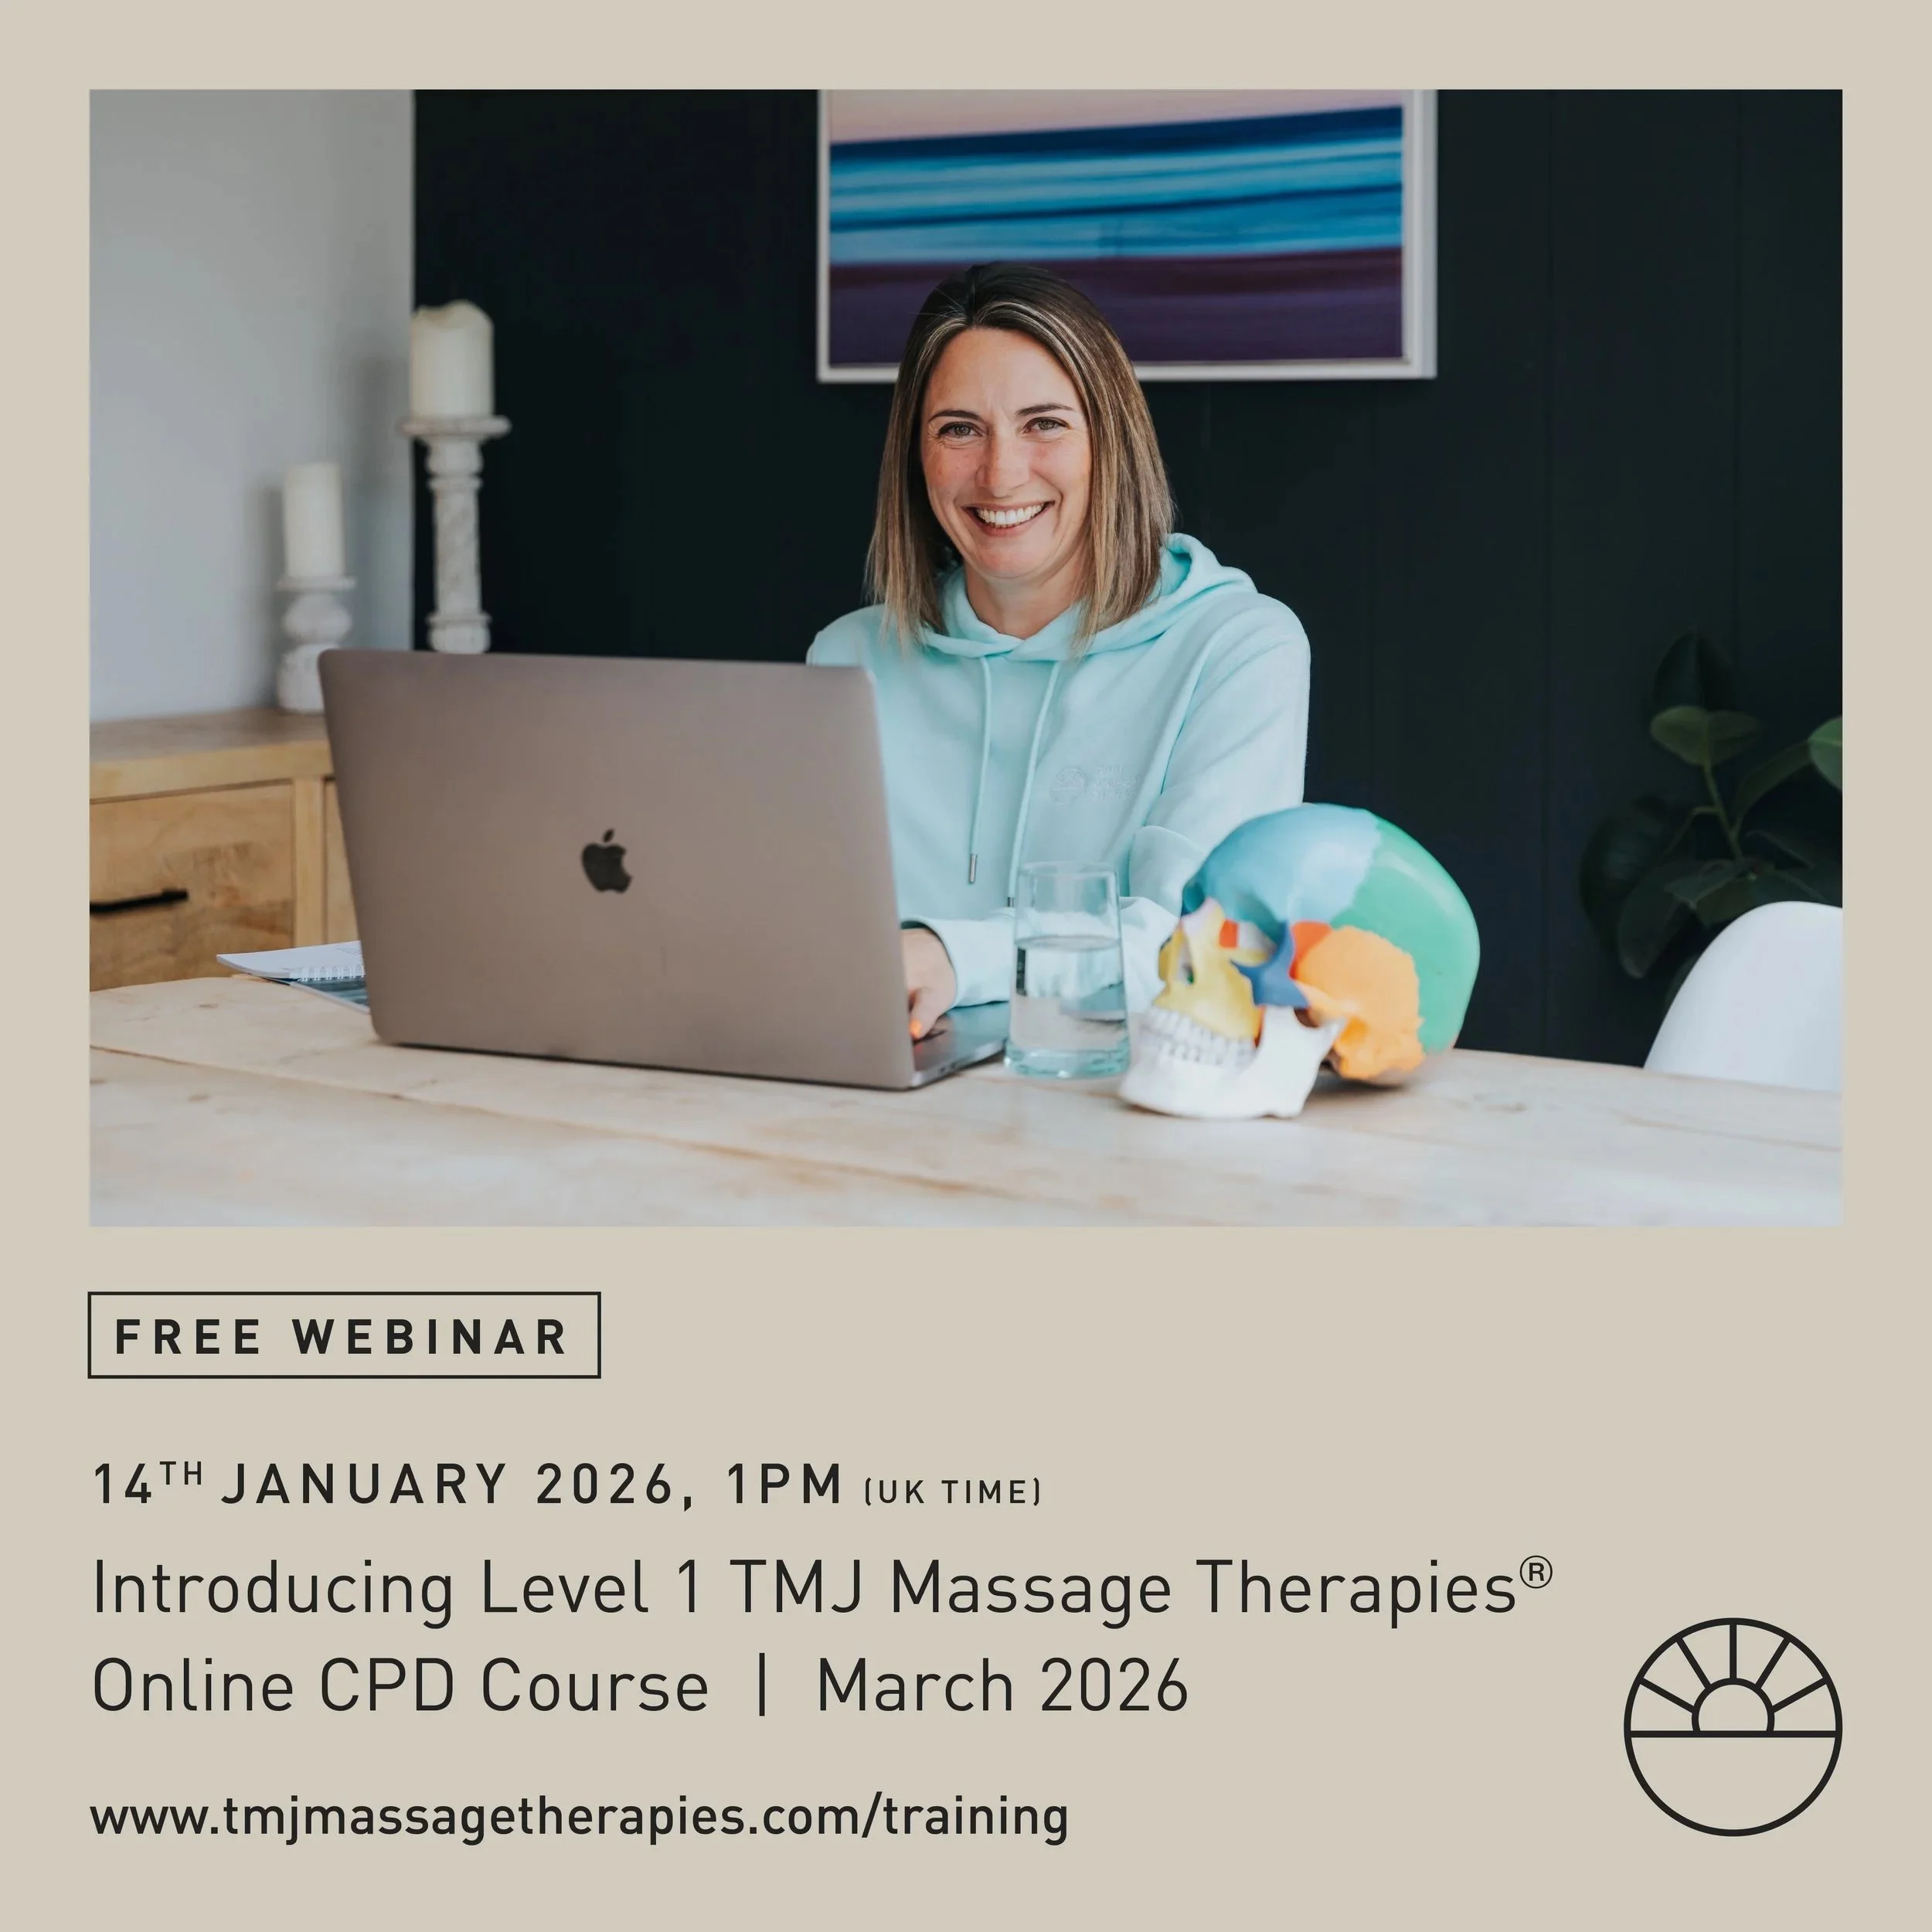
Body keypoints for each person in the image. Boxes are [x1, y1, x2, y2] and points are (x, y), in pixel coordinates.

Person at [808, 263, 1310, 1040]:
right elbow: (804, 928)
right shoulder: (849, 660)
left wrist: (954, 957)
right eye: (958, 428)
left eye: (1043, 423)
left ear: (1110, 442)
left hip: (1114, 1091)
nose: (1001, 473)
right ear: (915, 456)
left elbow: (1202, 943)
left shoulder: (1238, 647)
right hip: (875, 1081)